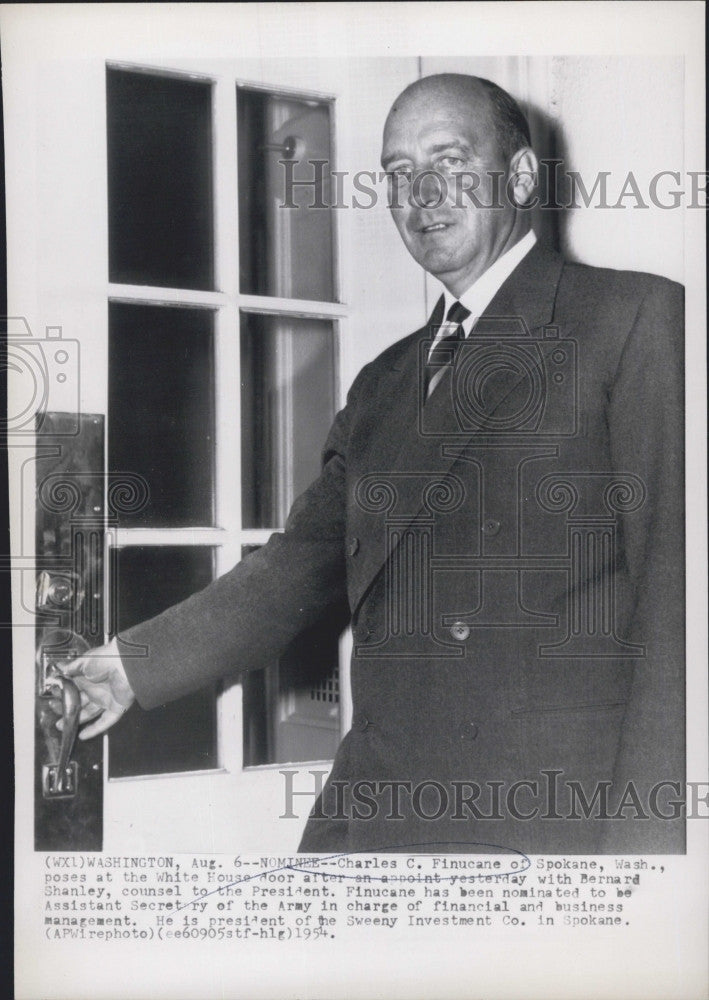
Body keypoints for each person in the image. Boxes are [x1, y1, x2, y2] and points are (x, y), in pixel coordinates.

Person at [64, 74, 685, 855]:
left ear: (521, 176)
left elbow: (677, 611)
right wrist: (133, 665)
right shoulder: (385, 382)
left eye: (450, 160)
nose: (421, 193)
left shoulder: (633, 321)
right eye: (396, 173)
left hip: (546, 823)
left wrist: (652, 873)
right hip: (380, 805)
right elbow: (298, 565)